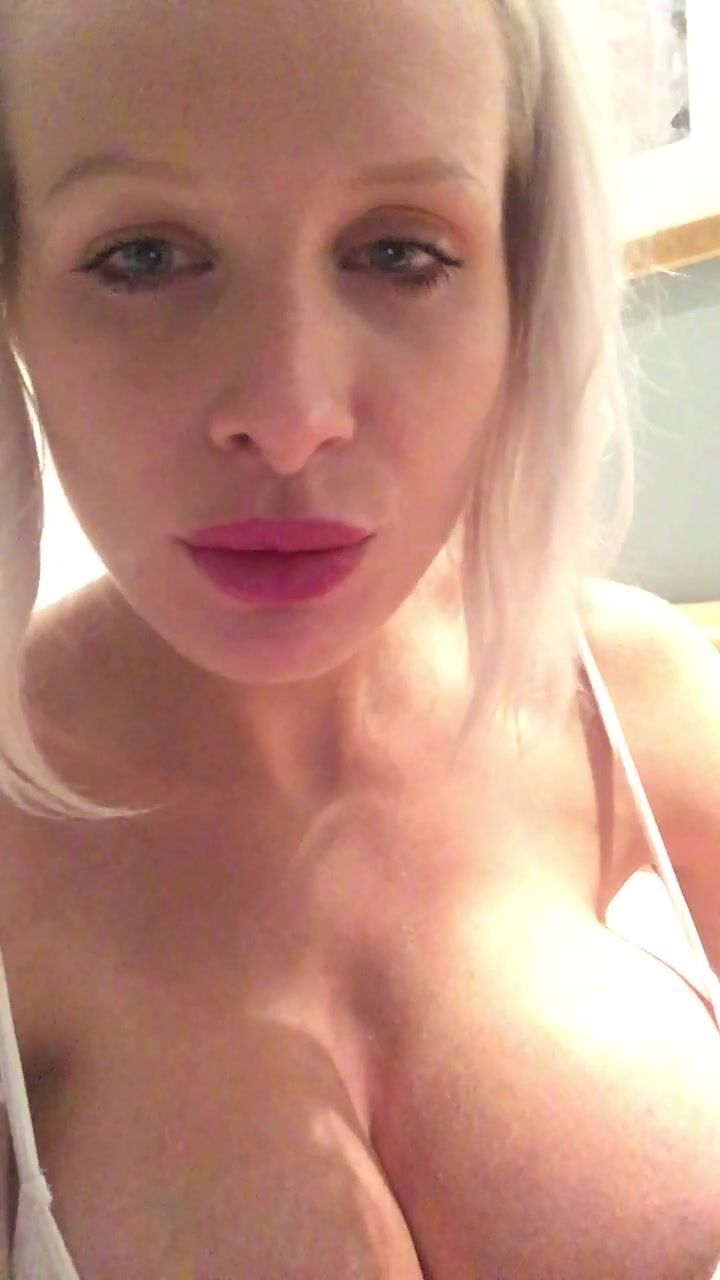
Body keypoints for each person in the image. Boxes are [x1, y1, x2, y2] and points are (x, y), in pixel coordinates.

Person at [0, 0, 717, 1275]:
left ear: (520, 279)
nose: (291, 415)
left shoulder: (647, 710)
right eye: (143, 256)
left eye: (399, 252)